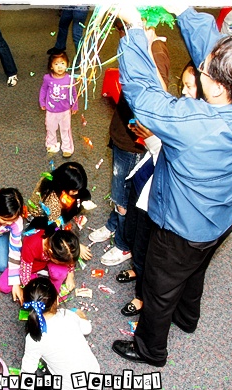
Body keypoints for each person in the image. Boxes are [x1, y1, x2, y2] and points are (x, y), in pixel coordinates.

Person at [111, 5, 232, 367]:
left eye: (203, 70)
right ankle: (187, 318)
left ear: (217, 87)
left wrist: (134, 30)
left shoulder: (194, 122)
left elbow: (144, 94)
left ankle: (150, 350)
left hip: (181, 228)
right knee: (195, 269)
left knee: (158, 288)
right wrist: (184, 11)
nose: (202, 67)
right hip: (220, 217)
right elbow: (220, 56)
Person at [120, 62, 202, 318]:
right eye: (183, 85)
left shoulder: (199, 126)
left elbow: (170, 158)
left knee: (146, 246)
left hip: (158, 196)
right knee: (133, 233)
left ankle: (142, 295)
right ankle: (136, 268)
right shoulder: (182, 111)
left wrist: (151, 138)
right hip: (144, 181)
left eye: (190, 86)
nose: (184, 91)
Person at [89, 19, 170, 269]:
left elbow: (155, 99)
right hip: (122, 132)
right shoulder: (140, 46)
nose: (121, 36)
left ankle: (124, 244)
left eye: (124, 30)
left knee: (123, 197)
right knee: (118, 192)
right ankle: (114, 225)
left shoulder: (155, 53)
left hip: (133, 142)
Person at [20, 277, 100, 390]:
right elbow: (87, 328)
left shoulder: (34, 338)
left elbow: (27, 375)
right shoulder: (68, 315)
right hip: (94, 375)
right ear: (57, 300)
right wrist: (81, 317)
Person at [27, 162, 93, 262]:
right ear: (64, 186)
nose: (77, 193)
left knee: (85, 195)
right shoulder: (52, 202)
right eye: (74, 190)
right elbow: (54, 228)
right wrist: (76, 245)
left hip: (58, 206)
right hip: (43, 219)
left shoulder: (58, 177)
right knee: (60, 228)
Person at [0, 225, 80, 304]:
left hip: (45, 263)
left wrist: (70, 274)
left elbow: (70, 259)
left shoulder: (60, 242)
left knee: (60, 273)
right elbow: (25, 272)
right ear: (50, 252)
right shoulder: (30, 245)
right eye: (61, 262)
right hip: (29, 266)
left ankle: (54, 292)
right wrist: (29, 290)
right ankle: (35, 278)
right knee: (3, 285)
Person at [39, 51, 78, 158]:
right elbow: (43, 90)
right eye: (56, 64)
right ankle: (51, 145)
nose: (59, 67)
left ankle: (67, 148)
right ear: (51, 66)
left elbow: (74, 93)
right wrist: (42, 101)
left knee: (65, 129)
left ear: (67, 65)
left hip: (65, 110)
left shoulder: (69, 79)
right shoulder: (47, 78)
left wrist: (75, 105)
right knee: (50, 128)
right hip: (51, 110)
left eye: (62, 63)